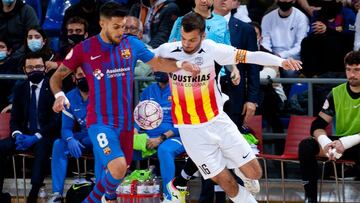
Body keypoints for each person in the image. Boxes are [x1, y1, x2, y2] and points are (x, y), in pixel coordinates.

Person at [49, 2, 199, 203]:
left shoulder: (132, 44)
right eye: (116, 27)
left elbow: (159, 63)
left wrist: (181, 64)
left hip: (126, 124)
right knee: (117, 166)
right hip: (100, 121)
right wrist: (59, 95)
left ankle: (109, 198)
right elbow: (56, 78)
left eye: (124, 26)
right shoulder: (84, 49)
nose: (121, 31)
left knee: (121, 170)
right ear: (102, 23)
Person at [154, 12, 301, 203]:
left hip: (217, 122)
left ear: (203, 36)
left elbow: (251, 56)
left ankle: (237, 165)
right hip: (190, 131)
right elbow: (144, 56)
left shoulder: (212, 49)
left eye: (192, 40)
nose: (186, 44)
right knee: (226, 182)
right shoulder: (168, 50)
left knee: (255, 173)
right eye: (183, 38)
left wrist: (281, 61)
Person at [298, 51, 360, 203]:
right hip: (338, 146)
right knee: (306, 145)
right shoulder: (336, 93)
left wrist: (346, 143)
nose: (352, 74)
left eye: (357, 70)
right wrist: (326, 143)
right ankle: (310, 198)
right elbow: (317, 125)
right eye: (348, 69)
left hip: (356, 143)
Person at [0, 52, 61, 203]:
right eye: (31, 67)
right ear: (24, 69)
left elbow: (56, 120)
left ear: (45, 69)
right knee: (1, 146)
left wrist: (37, 136)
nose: (35, 70)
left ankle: (33, 193)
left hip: (46, 135)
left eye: (39, 66)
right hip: (24, 134)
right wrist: (17, 134)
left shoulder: (53, 87)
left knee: (41, 147)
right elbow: (15, 118)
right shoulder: (20, 88)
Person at [133, 71, 186, 202]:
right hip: (149, 135)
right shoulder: (148, 91)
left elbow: (185, 123)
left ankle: (170, 197)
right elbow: (138, 116)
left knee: (164, 150)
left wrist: (161, 138)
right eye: (156, 68)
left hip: (176, 136)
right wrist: (135, 130)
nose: (157, 71)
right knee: (123, 147)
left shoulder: (181, 90)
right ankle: (115, 192)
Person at [47, 68, 93, 203]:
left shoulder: (101, 95)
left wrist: (83, 140)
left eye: (87, 74)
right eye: (80, 75)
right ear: (74, 78)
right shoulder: (70, 97)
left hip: (99, 137)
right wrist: (70, 139)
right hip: (82, 137)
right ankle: (57, 194)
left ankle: (101, 189)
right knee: (59, 144)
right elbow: (66, 128)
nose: (84, 78)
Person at [261, 0, 308, 78]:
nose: (284, 1)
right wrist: (270, 55)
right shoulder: (267, 18)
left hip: (293, 55)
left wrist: (281, 55)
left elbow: (300, 45)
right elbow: (265, 42)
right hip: (272, 54)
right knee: (265, 71)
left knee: (290, 72)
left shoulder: (301, 17)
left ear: (293, 1)